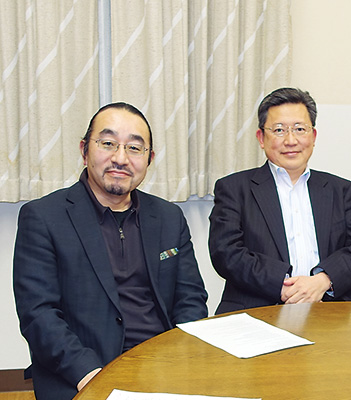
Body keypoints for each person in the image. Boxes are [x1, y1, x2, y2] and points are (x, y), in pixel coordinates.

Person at [13, 102, 209, 400]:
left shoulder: (168, 217)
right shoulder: (43, 217)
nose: (120, 158)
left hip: (162, 365)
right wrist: (88, 374)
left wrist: (179, 359)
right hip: (83, 371)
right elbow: (38, 315)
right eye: (108, 143)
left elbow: (190, 300)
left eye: (134, 148)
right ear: (84, 150)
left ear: (149, 158)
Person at [209, 87, 351, 314]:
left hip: (330, 307)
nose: (291, 140)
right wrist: (285, 288)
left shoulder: (340, 189)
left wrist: (323, 281)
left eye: (299, 129)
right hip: (257, 308)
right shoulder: (234, 188)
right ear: (261, 138)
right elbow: (225, 252)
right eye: (279, 130)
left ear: (313, 137)